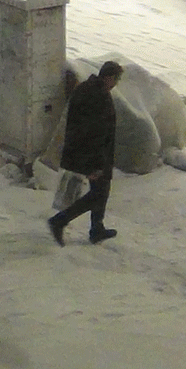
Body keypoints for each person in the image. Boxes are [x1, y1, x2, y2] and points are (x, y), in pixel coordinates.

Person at [48, 60, 123, 247]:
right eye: (116, 79)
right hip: (92, 156)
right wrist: (96, 165)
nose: (116, 84)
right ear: (109, 77)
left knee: (102, 191)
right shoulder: (97, 96)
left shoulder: (88, 89)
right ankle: (59, 221)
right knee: (97, 194)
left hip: (89, 153)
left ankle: (97, 228)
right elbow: (94, 133)